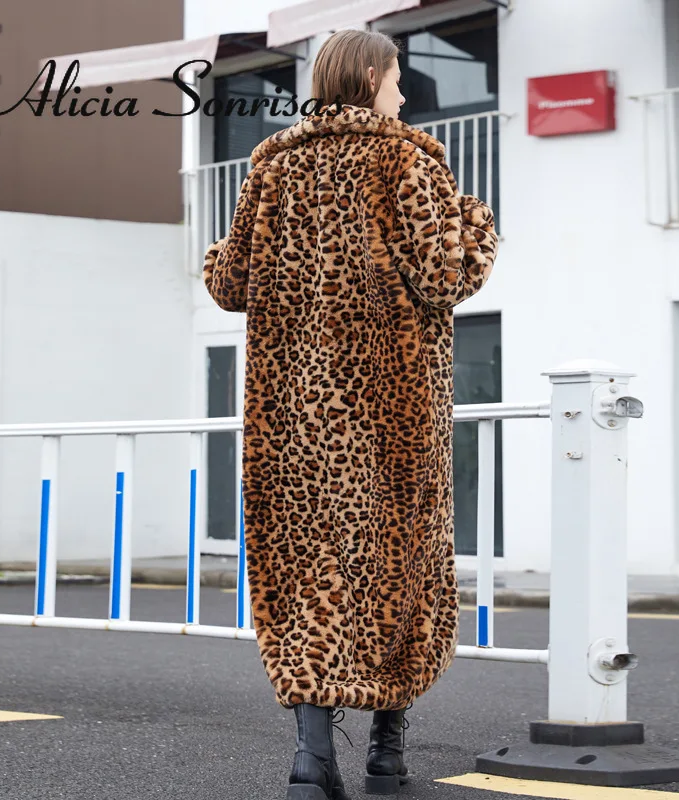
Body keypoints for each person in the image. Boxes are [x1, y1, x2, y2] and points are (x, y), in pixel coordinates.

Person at [203, 28, 498, 800]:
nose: (404, 94)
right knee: (397, 568)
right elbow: (444, 275)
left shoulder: (270, 166)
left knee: (312, 577)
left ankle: (310, 761)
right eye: (399, 79)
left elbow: (230, 283)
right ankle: (387, 755)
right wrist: (477, 221)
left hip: (294, 422)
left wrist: (219, 257)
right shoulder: (406, 158)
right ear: (370, 77)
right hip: (393, 413)